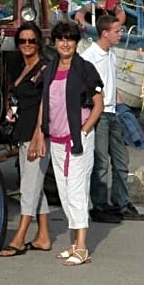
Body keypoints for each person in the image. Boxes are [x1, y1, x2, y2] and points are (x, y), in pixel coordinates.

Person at [29, 21, 104, 266]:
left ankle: (82, 247)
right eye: (61, 39)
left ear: (76, 42)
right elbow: (45, 103)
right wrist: (40, 132)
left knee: (76, 190)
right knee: (64, 191)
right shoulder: (49, 69)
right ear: (55, 42)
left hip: (77, 137)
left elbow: (98, 103)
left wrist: (84, 130)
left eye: (70, 39)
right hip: (57, 139)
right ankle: (74, 243)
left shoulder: (85, 69)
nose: (65, 43)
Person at [82, 14, 144, 223]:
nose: (121, 34)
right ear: (104, 33)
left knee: (121, 160)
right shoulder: (89, 57)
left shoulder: (112, 54)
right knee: (100, 163)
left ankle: (121, 202)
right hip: (99, 114)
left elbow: (112, 83)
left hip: (114, 112)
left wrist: (123, 110)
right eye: (117, 31)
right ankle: (100, 205)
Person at [0, 22, 50, 257]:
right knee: (35, 184)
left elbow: (46, 103)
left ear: (38, 42)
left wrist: (39, 135)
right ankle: (43, 237)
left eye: (31, 40)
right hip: (23, 132)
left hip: (36, 134)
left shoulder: (44, 68)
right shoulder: (22, 67)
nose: (27, 45)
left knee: (29, 187)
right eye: (22, 41)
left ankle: (19, 237)